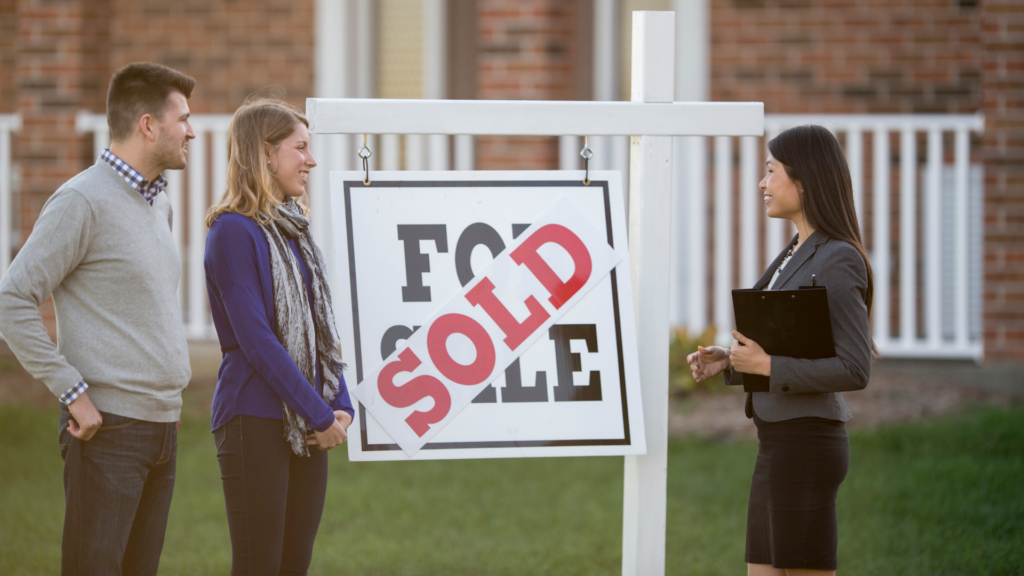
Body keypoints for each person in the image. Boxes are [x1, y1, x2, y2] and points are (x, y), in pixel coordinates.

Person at [0, 62, 195, 575]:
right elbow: (12, 298)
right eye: (184, 119)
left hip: (161, 427)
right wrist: (71, 391)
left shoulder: (158, 204)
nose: (192, 131)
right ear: (148, 125)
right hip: (106, 429)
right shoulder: (81, 201)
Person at [687, 125, 873, 576]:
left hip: (807, 446)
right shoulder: (797, 251)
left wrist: (768, 365)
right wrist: (730, 360)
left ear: (804, 181)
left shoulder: (838, 257)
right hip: (777, 443)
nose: (762, 183)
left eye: (771, 172)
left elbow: (855, 367)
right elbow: (799, 343)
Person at [203, 96, 354, 575]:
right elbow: (257, 340)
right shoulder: (232, 232)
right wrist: (319, 412)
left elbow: (318, 328)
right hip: (255, 418)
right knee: (258, 565)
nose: (310, 161)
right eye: (300, 148)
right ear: (265, 153)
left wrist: (341, 404)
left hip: (309, 421)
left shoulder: (295, 231)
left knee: (294, 565)